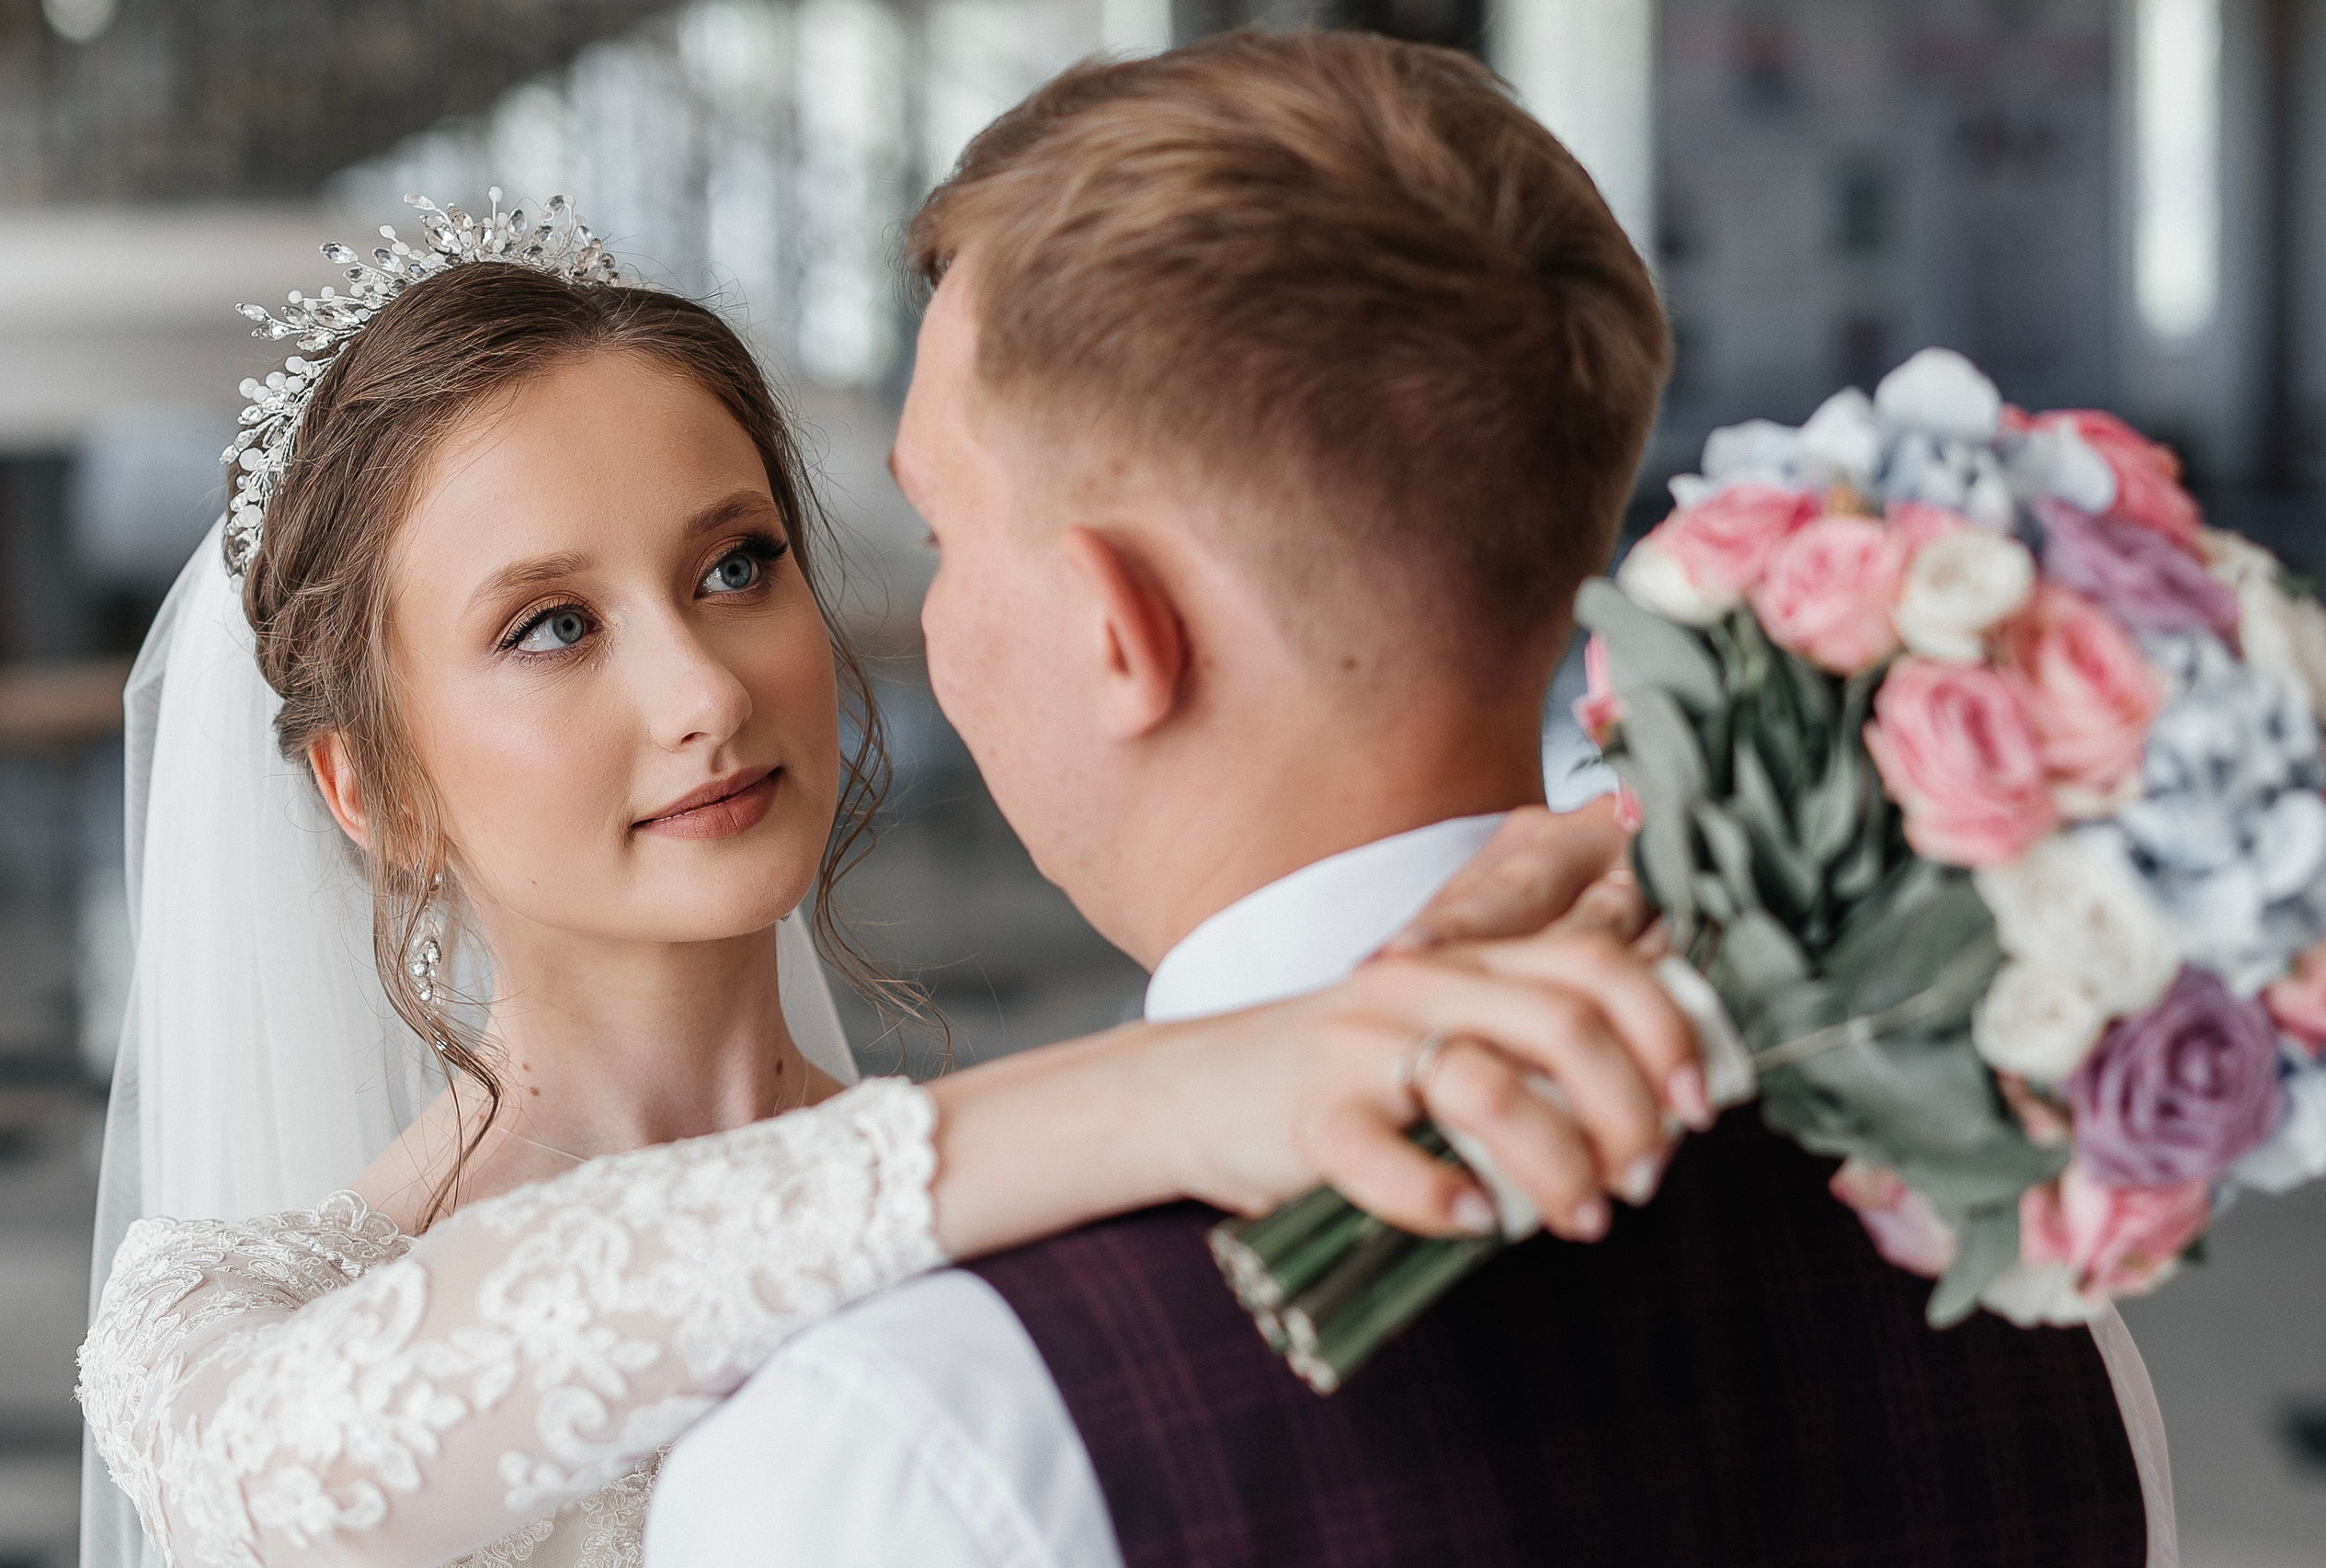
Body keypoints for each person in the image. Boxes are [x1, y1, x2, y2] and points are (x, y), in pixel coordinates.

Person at [645, 30, 2164, 1568]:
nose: (928, 612)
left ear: (1122, 630)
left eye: (942, 531)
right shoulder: (2030, 1296)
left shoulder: (906, 1437)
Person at [75, 188, 1700, 1568]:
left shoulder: (1050, 1198)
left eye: (736, 566)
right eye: (552, 625)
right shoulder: (221, 1318)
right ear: (377, 791)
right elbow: (301, 1459)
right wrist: (1177, 1090)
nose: (706, 690)